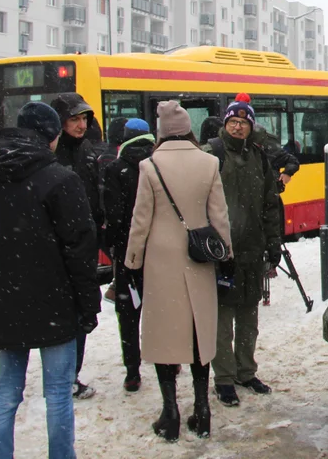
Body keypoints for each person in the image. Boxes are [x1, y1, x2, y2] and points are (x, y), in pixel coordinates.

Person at [0, 102, 100, 458]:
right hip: (53, 302)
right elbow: (80, 249)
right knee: (58, 392)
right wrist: (88, 305)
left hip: (3, 301)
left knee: (6, 390)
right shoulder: (61, 179)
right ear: (51, 136)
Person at [125, 101, 233, 441]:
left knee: (164, 334)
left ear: (161, 131)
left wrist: (132, 261)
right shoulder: (209, 162)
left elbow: (140, 220)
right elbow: (219, 215)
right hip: (198, 257)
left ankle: (169, 412)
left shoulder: (149, 165)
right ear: (188, 127)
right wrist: (225, 252)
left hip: (161, 261)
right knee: (198, 331)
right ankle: (202, 409)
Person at [202, 94, 282, 407]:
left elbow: (270, 205)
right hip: (223, 252)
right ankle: (224, 378)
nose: (238, 127)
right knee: (223, 319)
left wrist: (273, 243)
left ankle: (246, 371)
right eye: (233, 122)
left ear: (251, 127)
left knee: (249, 316)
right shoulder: (212, 154)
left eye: (243, 123)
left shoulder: (259, 157)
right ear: (226, 124)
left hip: (252, 249)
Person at [49, 92, 102, 400]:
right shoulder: (53, 155)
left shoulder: (86, 150)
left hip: (83, 241)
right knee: (66, 312)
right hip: (61, 245)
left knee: (81, 308)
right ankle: (64, 376)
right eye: (74, 119)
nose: (81, 125)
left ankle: (71, 373)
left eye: (84, 119)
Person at [102, 118, 156, 393]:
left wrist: (112, 244)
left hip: (128, 252)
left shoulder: (115, 168)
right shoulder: (158, 165)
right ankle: (167, 358)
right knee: (159, 308)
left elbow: (113, 215)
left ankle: (133, 371)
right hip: (158, 250)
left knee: (128, 312)